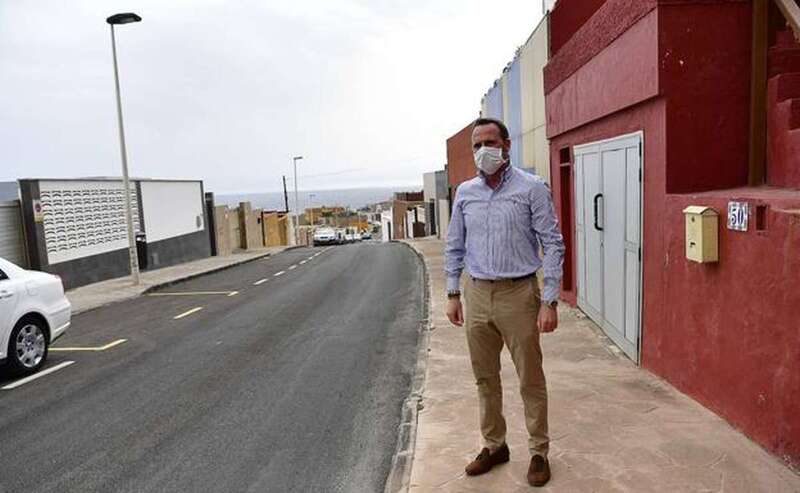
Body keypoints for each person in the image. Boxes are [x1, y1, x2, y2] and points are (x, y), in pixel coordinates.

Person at [444, 117, 565, 487]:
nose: (483, 151)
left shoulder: (532, 188)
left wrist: (550, 300)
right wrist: (452, 292)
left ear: (507, 145)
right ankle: (495, 445)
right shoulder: (465, 192)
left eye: (490, 142)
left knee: (530, 377)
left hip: (519, 294)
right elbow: (455, 243)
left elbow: (553, 243)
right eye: (477, 145)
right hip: (477, 293)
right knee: (485, 379)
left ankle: (539, 451)